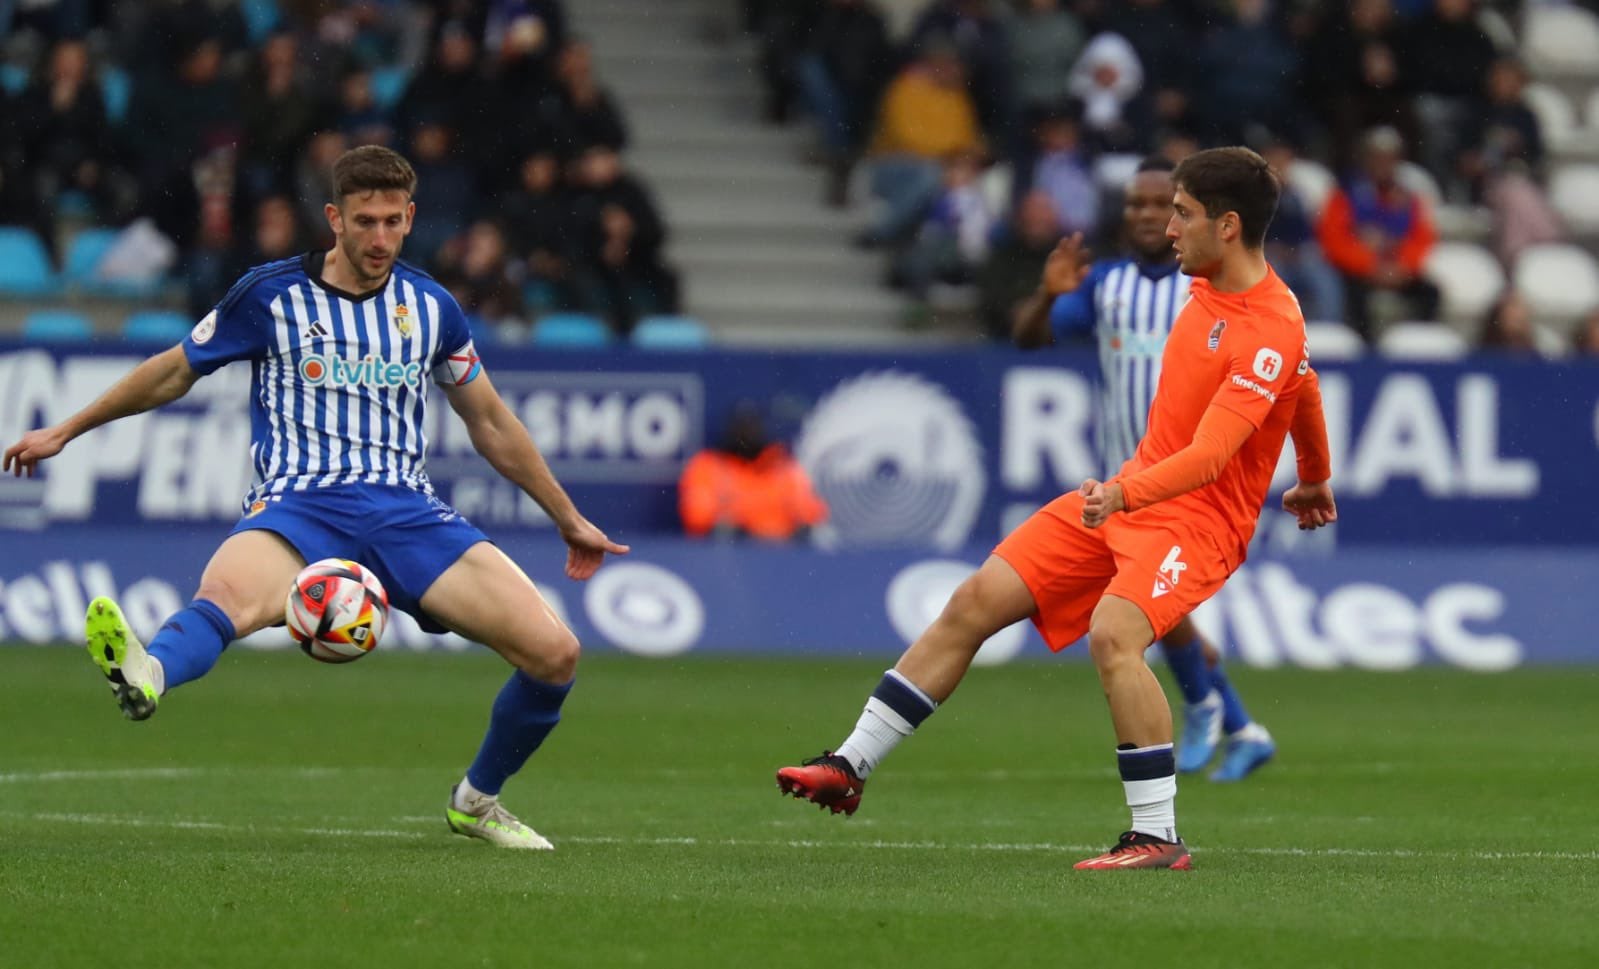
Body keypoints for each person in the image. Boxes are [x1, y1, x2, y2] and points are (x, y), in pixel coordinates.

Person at [1, 145, 630, 851]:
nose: (380, 238)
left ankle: (476, 800)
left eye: (393, 221)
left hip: (408, 512)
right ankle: (148, 675)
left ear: (410, 216)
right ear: (334, 218)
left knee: (555, 653)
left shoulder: (431, 308)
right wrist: (67, 428)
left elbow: (487, 420)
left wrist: (567, 517)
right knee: (225, 599)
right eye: (364, 222)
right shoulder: (268, 296)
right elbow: (174, 371)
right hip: (300, 505)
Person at [776, 147, 1337, 870]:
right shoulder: (1209, 287)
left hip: (1196, 523)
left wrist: (1125, 493)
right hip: (1130, 495)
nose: (1168, 228)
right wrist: (1315, 478)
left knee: (1114, 636)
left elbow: (1211, 457)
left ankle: (1157, 835)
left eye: (1181, 213)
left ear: (1227, 226)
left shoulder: (1267, 327)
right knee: (974, 601)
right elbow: (1305, 384)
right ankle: (848, 765)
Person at [1008, 153, 1278, 782]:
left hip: (1193, 479)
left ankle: (1214, 710)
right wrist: (1048, 295)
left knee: (1151, 610)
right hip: (1129, 475)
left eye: (1164, 204)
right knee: (1157, 610)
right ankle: (1234, 722)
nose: (1151, 215)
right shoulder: (1106, 285)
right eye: (1137, 204)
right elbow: (1027, 339)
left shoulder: (1210, 283)